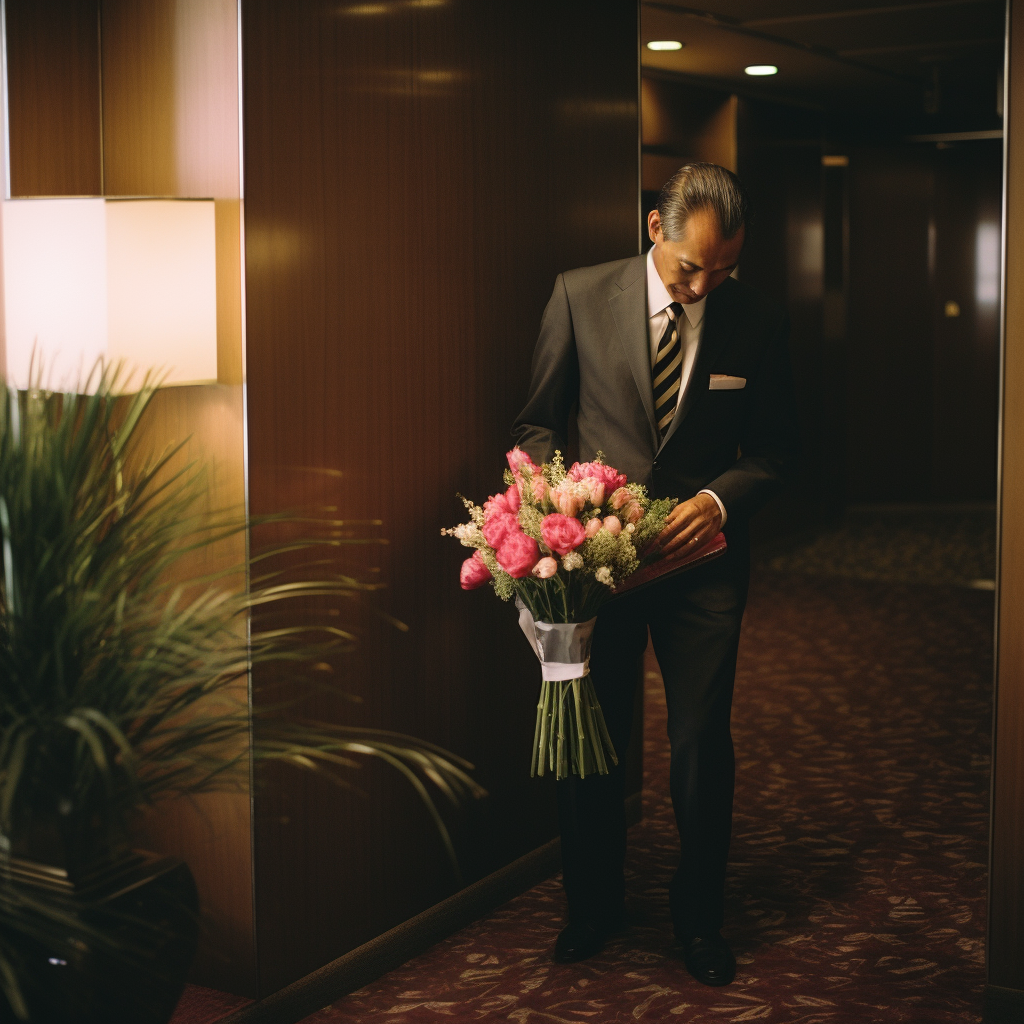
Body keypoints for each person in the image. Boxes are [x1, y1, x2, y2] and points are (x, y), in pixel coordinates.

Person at [512, 163, 799, 986]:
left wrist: (720, 498)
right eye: (690, 268)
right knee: (591, 738)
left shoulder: (760, 319)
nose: (706, 284)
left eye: (724, 269)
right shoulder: (577, 295)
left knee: (702, 742)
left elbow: (779, 450)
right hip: (595, 570)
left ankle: (699, 918)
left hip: (706, 568)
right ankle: (591, 906)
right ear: (653, 230)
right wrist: (559, 514)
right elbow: (536, 424)